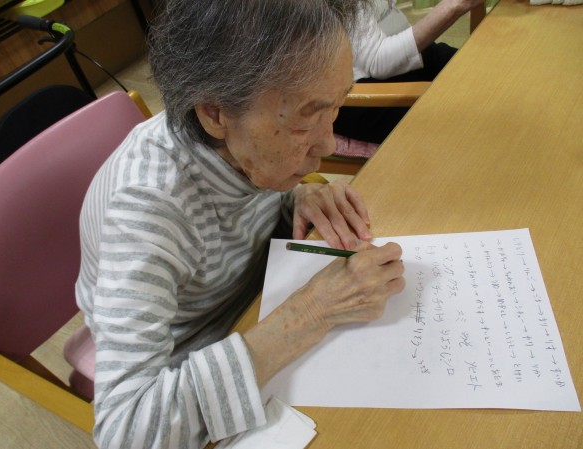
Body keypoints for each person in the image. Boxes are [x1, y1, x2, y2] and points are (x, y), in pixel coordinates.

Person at [75, 1, 405, 448]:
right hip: (197, 341)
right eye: (306, 118)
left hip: (256, 299)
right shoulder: (148, 210)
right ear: (214, 114)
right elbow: (125, 432)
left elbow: (243, 200)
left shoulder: (243, 145)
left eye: (335, 107)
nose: (327, 145)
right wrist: (313, 311)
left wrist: (299, 196)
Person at [334, 0, 485, 143]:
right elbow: (376, 61)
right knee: (467, 120)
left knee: (485, 73)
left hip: (401, 54)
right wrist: (453, 6)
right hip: (358, 92)